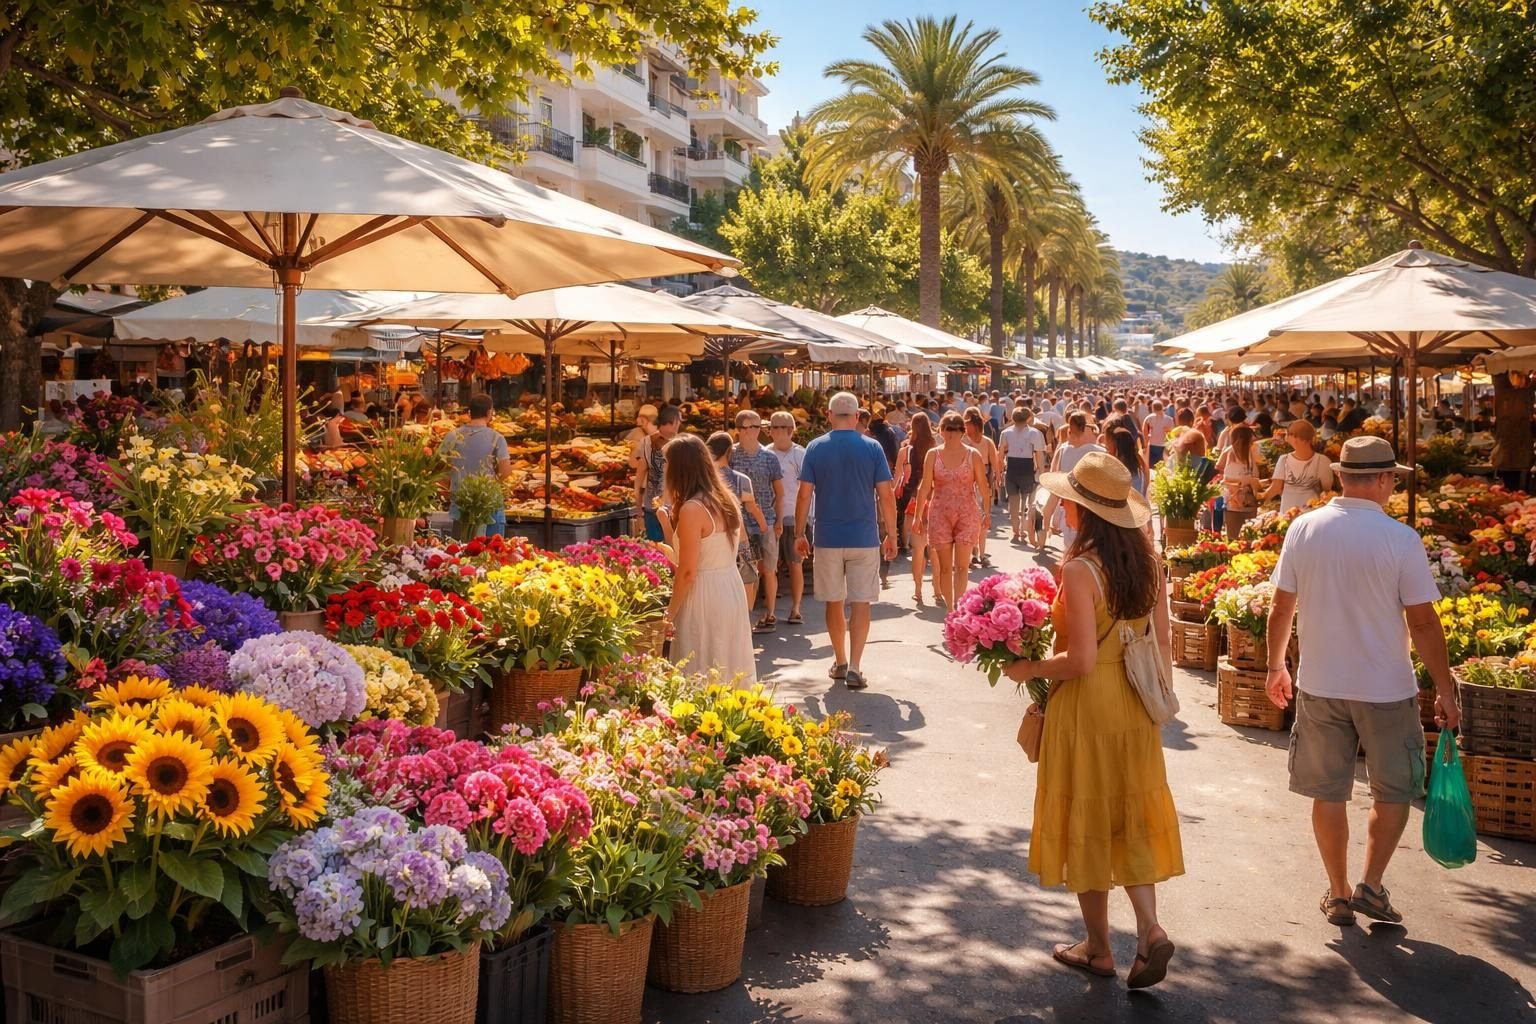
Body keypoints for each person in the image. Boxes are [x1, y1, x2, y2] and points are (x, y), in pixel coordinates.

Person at [1004, 451, 1182, 989]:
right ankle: (1149, 929)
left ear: (1084, 512)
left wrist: (1026, 667)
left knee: (1086, 817)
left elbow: (1080, 660)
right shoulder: (1149, 564)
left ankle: (1099, 948)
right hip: (1133, 705)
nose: (1064, 510)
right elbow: (1164, 642)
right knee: (1127, 816)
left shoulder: (1080, 570)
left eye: (1071, 503)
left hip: (1087, 705)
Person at [1264, 437, 1459, 928]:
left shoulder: (1304, 529)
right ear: (1384, 479)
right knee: (1392, 790)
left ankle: (1338, 892)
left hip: (1321, 681)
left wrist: (1275, 667)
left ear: (1341, 476)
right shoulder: (1399, 538)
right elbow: (1423, 622)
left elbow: (1280, 607)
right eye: (1393, 478)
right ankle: (1371, 884)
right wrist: (1445, 687)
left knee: (1327, 792)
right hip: (1385, 687)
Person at [794, 392, 898, 691]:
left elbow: (804, 494)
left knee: (834, 600)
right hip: (863, 537)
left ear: (829, 415)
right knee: (861, 601)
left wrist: (800, 533)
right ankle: (855, 667)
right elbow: (886, 495)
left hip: (827, 536)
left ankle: (839, 660)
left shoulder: (815, 447)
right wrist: (891, 533)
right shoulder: (872, 447)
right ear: (856, 417)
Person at [657, 434, 757, 685]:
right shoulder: (726, 500)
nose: (664, 470)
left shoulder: (693, 509)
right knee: (728, 666)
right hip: (729, 588)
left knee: (700, 665)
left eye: (667, 464)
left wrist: (668, 615)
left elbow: (688, 571)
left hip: (704, 595)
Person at [912, 411, 988, 610]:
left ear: (963, 432)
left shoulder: (973, 455)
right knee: (945, 568)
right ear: (941, 431)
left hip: (967, 512)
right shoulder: (933, 454)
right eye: (948, 428)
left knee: (962, 566)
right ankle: (950, 610)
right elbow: (925, 486)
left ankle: (959, 605)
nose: (952, 433)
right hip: (940, 513)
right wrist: (917, 516)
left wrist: (986, 513)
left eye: (956, 429)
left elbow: (983, 486)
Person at [730, 410, 785, 633]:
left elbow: (779, 492)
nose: (751, 431)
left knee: (769, 568)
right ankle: (745, 615)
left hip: (766, 521)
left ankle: (770, 613)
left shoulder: (769, 457)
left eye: (754, 427)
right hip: (739, 523)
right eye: (746, 427)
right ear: (738, 430)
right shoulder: (731, 455)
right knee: (744, 571)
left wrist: (779, 519)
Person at [708, 431, 769, 607]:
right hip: (738, 539)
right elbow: (752, 508)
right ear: (729, 451)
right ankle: (746, 625)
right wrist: (765, 528)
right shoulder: (741, 480)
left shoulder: (703, 480)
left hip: (711, 539)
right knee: (747, 583)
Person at [438, 393, 513, 537]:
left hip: (461, 505)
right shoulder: (497, 438)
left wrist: (449, 490)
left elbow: (439, 472)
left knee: (462, 553)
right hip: (490, 505)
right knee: (492, 554)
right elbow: (505, 472)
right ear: (489, 412)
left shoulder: (452, 437)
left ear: (469, 413)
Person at [1040, 412, 1105, 552]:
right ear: (1085, 428)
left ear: (1069, 428)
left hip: (1069, 509)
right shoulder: (1099, 452)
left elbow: (1056, 486)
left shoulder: (1063, 451)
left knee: (1070, 550)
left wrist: (1048, 515)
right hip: (1091, 509)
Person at [768, 411, 808, 626]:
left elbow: (807, 488)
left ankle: (796, 608)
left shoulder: (799, 455)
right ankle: (771, 611)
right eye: (773, 428)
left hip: (793, 516)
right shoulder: (765, 454)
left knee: (795, 564)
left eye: (779, 428)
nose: (775, 433)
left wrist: (807, 516)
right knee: (770, 566)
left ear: (790, 431)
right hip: (770, 516)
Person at [895, 412, 935, 604]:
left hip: (915, 500)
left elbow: (902, 478)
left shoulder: (908, 450)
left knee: (917, 549)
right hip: (935, 499)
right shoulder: (936, 447)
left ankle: (918, 590)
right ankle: (938, 588)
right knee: (935, 548)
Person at [1262, 420, 1334, 514]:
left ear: (1299, 439)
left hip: (1312, 513)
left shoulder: (1322, 461)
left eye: (1289, 435)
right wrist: (1259, 497)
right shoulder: (1284, 459)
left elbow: (1327, 492)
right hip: (1287, 514)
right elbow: (1276, 488)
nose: (1286, 438)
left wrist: (1259, 497)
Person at [633, 405, 682, 541]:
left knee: (657, 552)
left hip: (653, 507)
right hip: (675, 509)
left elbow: (638, 480)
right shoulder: (683, 444)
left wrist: (639, 513)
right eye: (680, 421)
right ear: (674, 421)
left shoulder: (646, 442)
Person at [999, 407, 1047, 546]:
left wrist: (1000, 467)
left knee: (1013, 499)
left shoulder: (1006, 432)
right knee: (1027, 499)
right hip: (1027, 466)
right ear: (1028, 418)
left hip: (1012, 466)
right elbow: (1038, 453)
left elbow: (1001, 452)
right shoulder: (1034, 433)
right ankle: (1023, 528)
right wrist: (1040, 469)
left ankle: (1015, 529)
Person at [963, 408, 1001, 567]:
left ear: (976, 426)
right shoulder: (963, 441)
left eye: (968, 425)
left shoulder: (987, 442)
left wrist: (997, 480)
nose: (966, 428)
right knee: (970, 518)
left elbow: (995, 463)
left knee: (984, 516)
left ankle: (982, 553)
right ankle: (973, 552)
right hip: (967, 482)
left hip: (983, 481)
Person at [1215, 424, 1261, 538]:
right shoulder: (1231, 453)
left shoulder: (1251, 452)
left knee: (1248, 534)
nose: (1252, 442)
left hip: (1249, 501)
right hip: (1234, 502)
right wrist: (1242, 481)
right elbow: (1222, 471)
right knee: (1235, 534)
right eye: (1250, 439)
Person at [1143, 401, 1174, 467]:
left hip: (1152, 444)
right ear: (1162, 407)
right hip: (1164, 445)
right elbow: (1172, 433)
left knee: (1152, 466)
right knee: (1163, 466)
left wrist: (1146, 444)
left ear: (1152, 408)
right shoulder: (1169, 419)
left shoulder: (1149, 418)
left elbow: (1145, 431)